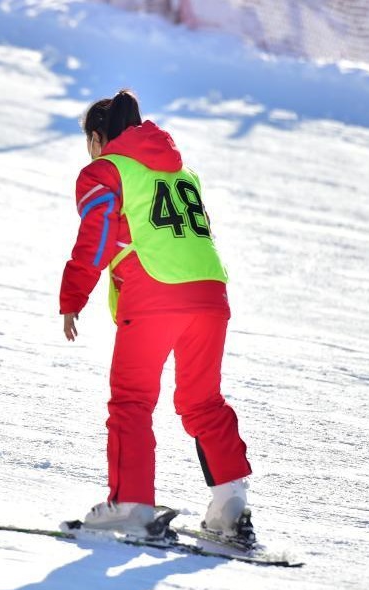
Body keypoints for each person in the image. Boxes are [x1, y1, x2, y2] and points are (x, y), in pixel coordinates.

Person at [60, 89, 253, 540]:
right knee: (202, 400)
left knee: (131, 399)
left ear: (96, 137)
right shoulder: (182, 171)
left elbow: (97, 236)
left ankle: (130, 504)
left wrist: (73, 296)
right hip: (209, 292)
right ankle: (230, 504)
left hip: (154, 294)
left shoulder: (105, 170)